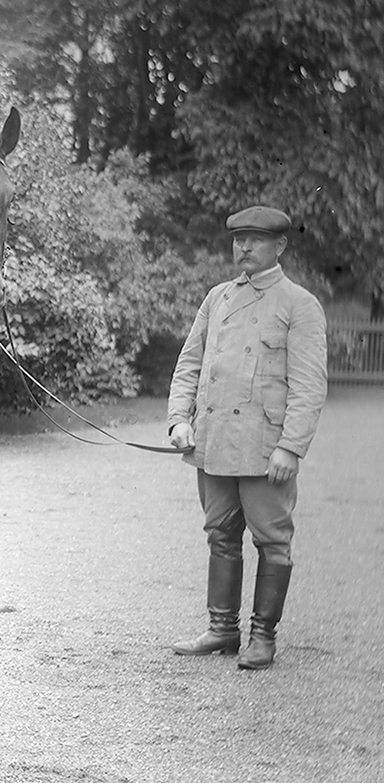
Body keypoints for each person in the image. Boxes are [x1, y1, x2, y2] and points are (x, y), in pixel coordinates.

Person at [166, 205, 327, 670]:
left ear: (280, 246)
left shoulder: (300, 305)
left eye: (256, 239)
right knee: (220, 535)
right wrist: (179, 419)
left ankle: (263, 637)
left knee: (272, 541)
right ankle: (221, 630)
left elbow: (309, 386)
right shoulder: (217, 298)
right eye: (240, 239)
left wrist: (291, 446)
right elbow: (188, 364)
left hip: (264, 450)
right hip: (212, 445)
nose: (245, 247)